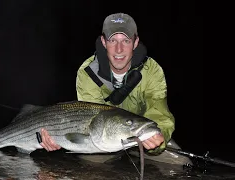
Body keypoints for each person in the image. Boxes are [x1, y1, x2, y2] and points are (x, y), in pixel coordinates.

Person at [39, 12, 175, 155]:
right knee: (94, 167)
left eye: (126, 41)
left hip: (140, 136)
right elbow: (91, 121)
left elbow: (160, 113)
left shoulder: (152, 71)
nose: (119, 49)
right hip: (102, 140)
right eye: (112, 40)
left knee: (178, 164)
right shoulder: (88, 72)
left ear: (135, 43)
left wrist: (160, 137)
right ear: (103, 42)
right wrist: (56, 140)